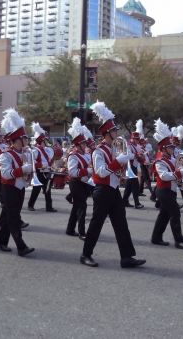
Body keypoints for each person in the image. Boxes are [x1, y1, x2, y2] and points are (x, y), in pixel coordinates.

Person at [80, 101, 145, 268]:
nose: (117, 132)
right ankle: (85, 254)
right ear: (107, 133)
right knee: (96, 224)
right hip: (102, 191)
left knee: (121, 223)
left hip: (114, 190)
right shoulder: (98, 151)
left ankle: (127, 257)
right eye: (114, 130)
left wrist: (125, 161)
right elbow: (101, 172)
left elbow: (118, 168)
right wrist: (118, 161)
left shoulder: (115, 149)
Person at [0, 108, 35, 257]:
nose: (26, 140)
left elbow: (26, 171)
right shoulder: (6, 155)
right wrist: (22, 169)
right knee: (13, 219)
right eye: (24, 138)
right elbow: (5, 174)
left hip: (20, 188)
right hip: (9, 188)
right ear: (17, 140)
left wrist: (29, 174)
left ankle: (1, 241)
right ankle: (21, 246)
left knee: (9, 216)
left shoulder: (25, 153)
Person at [150, 119, 183, 249]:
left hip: (171, 190)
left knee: (164, 214)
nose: (173, 148)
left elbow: (180, 167)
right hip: (163, 190)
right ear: (163, 149)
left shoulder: (172, 158)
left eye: (172, 146)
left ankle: (156, 237)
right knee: (175, 213)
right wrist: (179, 173)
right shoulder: (160, 161)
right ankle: (179, 241)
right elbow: (164, 176)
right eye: (170, 147)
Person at [65, 117, 93, 240]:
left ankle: (70, 229)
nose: (85, 145)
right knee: (82, 206)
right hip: (76, 183)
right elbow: (72, 172)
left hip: (85, 183)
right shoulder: (73, 156)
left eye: (85, 143)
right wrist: (87, 170)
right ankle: (82, 232)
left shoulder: (86, 154)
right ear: (77, 145)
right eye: (82, 143)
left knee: (77, 206)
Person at [27, 122, 57, 212]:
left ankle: (49, 207)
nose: (47, 141)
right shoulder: (36, 150)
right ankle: (30, 205)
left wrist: (51, 164)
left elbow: (48, 159)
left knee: (47, 190)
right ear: (41, 141)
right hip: (40, 172)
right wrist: (41, 165)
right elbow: (33, 161)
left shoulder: (47, 149)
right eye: (46, 140)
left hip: (47, 171)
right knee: (36, 189)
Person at [122, 124, 144, 209]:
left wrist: (142, 156)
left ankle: (124, 201)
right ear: (133, 138)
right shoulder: (128, 145)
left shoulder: (137, 146)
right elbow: (129, 156)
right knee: (135, 185)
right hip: (129, 166)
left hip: (134, 166)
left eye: (139, 139)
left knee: (129, 186)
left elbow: (138, 156)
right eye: (137, 139)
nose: (138, 140)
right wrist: (138, 154)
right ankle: (136, 202)